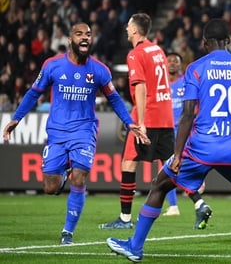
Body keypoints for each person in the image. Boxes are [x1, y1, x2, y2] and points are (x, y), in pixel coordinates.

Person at [106, 19, 231, 264]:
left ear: (205, 42)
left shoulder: (196, 68)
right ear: (229, 41)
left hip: (202, 149)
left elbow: (187, 115)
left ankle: (135, 246)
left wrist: (177, 155)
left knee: (160, 185)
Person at [2, 22, 148, 245]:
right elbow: (34, 93)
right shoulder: (52, 66)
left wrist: (129, 122)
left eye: (88, 34)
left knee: (79, 177)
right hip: (57, 132)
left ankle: (67, 232)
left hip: (84, 130)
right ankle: (64, 171)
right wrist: (16, 118)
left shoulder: (99, 70)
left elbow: (114, 98)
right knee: (50, 188)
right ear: (70, 40)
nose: (85, 38)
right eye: (79, 34)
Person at [99, 13, 213, 230]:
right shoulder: (158, 50)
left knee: (128, 163)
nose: (126, 29)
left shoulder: (135, 54)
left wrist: (140, 121)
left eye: (128, 26)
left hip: (148, 117)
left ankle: (124, 219)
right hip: (166, 117)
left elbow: (140, 87)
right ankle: (199, 203)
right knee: (174, 166)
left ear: (134, 30)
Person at [161, 52, 209, 222]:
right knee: (168, 168)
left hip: (184, 132)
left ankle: (196, 186)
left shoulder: (186, 82)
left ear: (181, 65)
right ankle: (175, 205)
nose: (172, 64)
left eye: (176, 61)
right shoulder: (161, 85)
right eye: (170, 61)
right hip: (166, 131)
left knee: (176, 168)